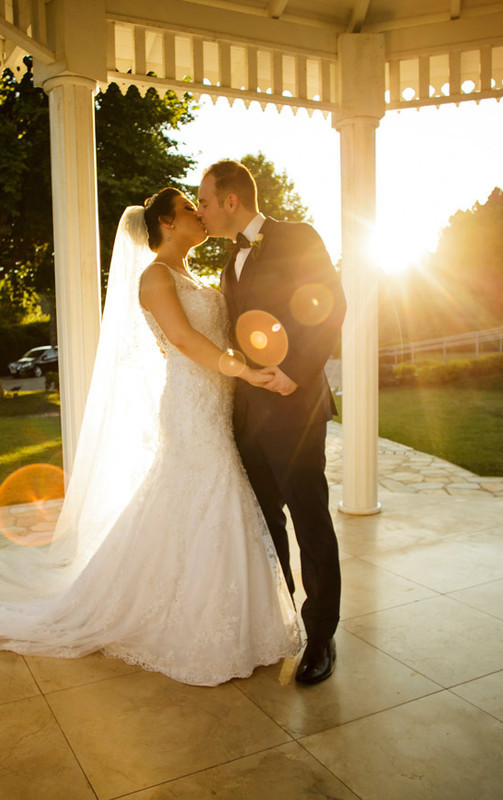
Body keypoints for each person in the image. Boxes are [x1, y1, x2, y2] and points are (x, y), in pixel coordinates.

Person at [0, 189, 302, 686]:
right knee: (210, 493)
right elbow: (183, 341)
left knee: (197, 503)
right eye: (190, 209)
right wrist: (246, 373)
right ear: (166, 221)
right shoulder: (154, 276)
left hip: (216, 400)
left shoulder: (194, 276)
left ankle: (225, 614)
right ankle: (192, 623)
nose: (200, 215)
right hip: (191, 407)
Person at [197, 160, 346, 684]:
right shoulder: (229, 259)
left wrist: (295, 373)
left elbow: (330, 306)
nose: (201, 210)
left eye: (206, 200)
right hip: (246, 413)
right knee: (263, 522)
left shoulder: (298, 236)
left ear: (232, 201)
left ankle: (322, 637)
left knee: (310, 518)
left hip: (294, 408)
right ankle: (281, 621)